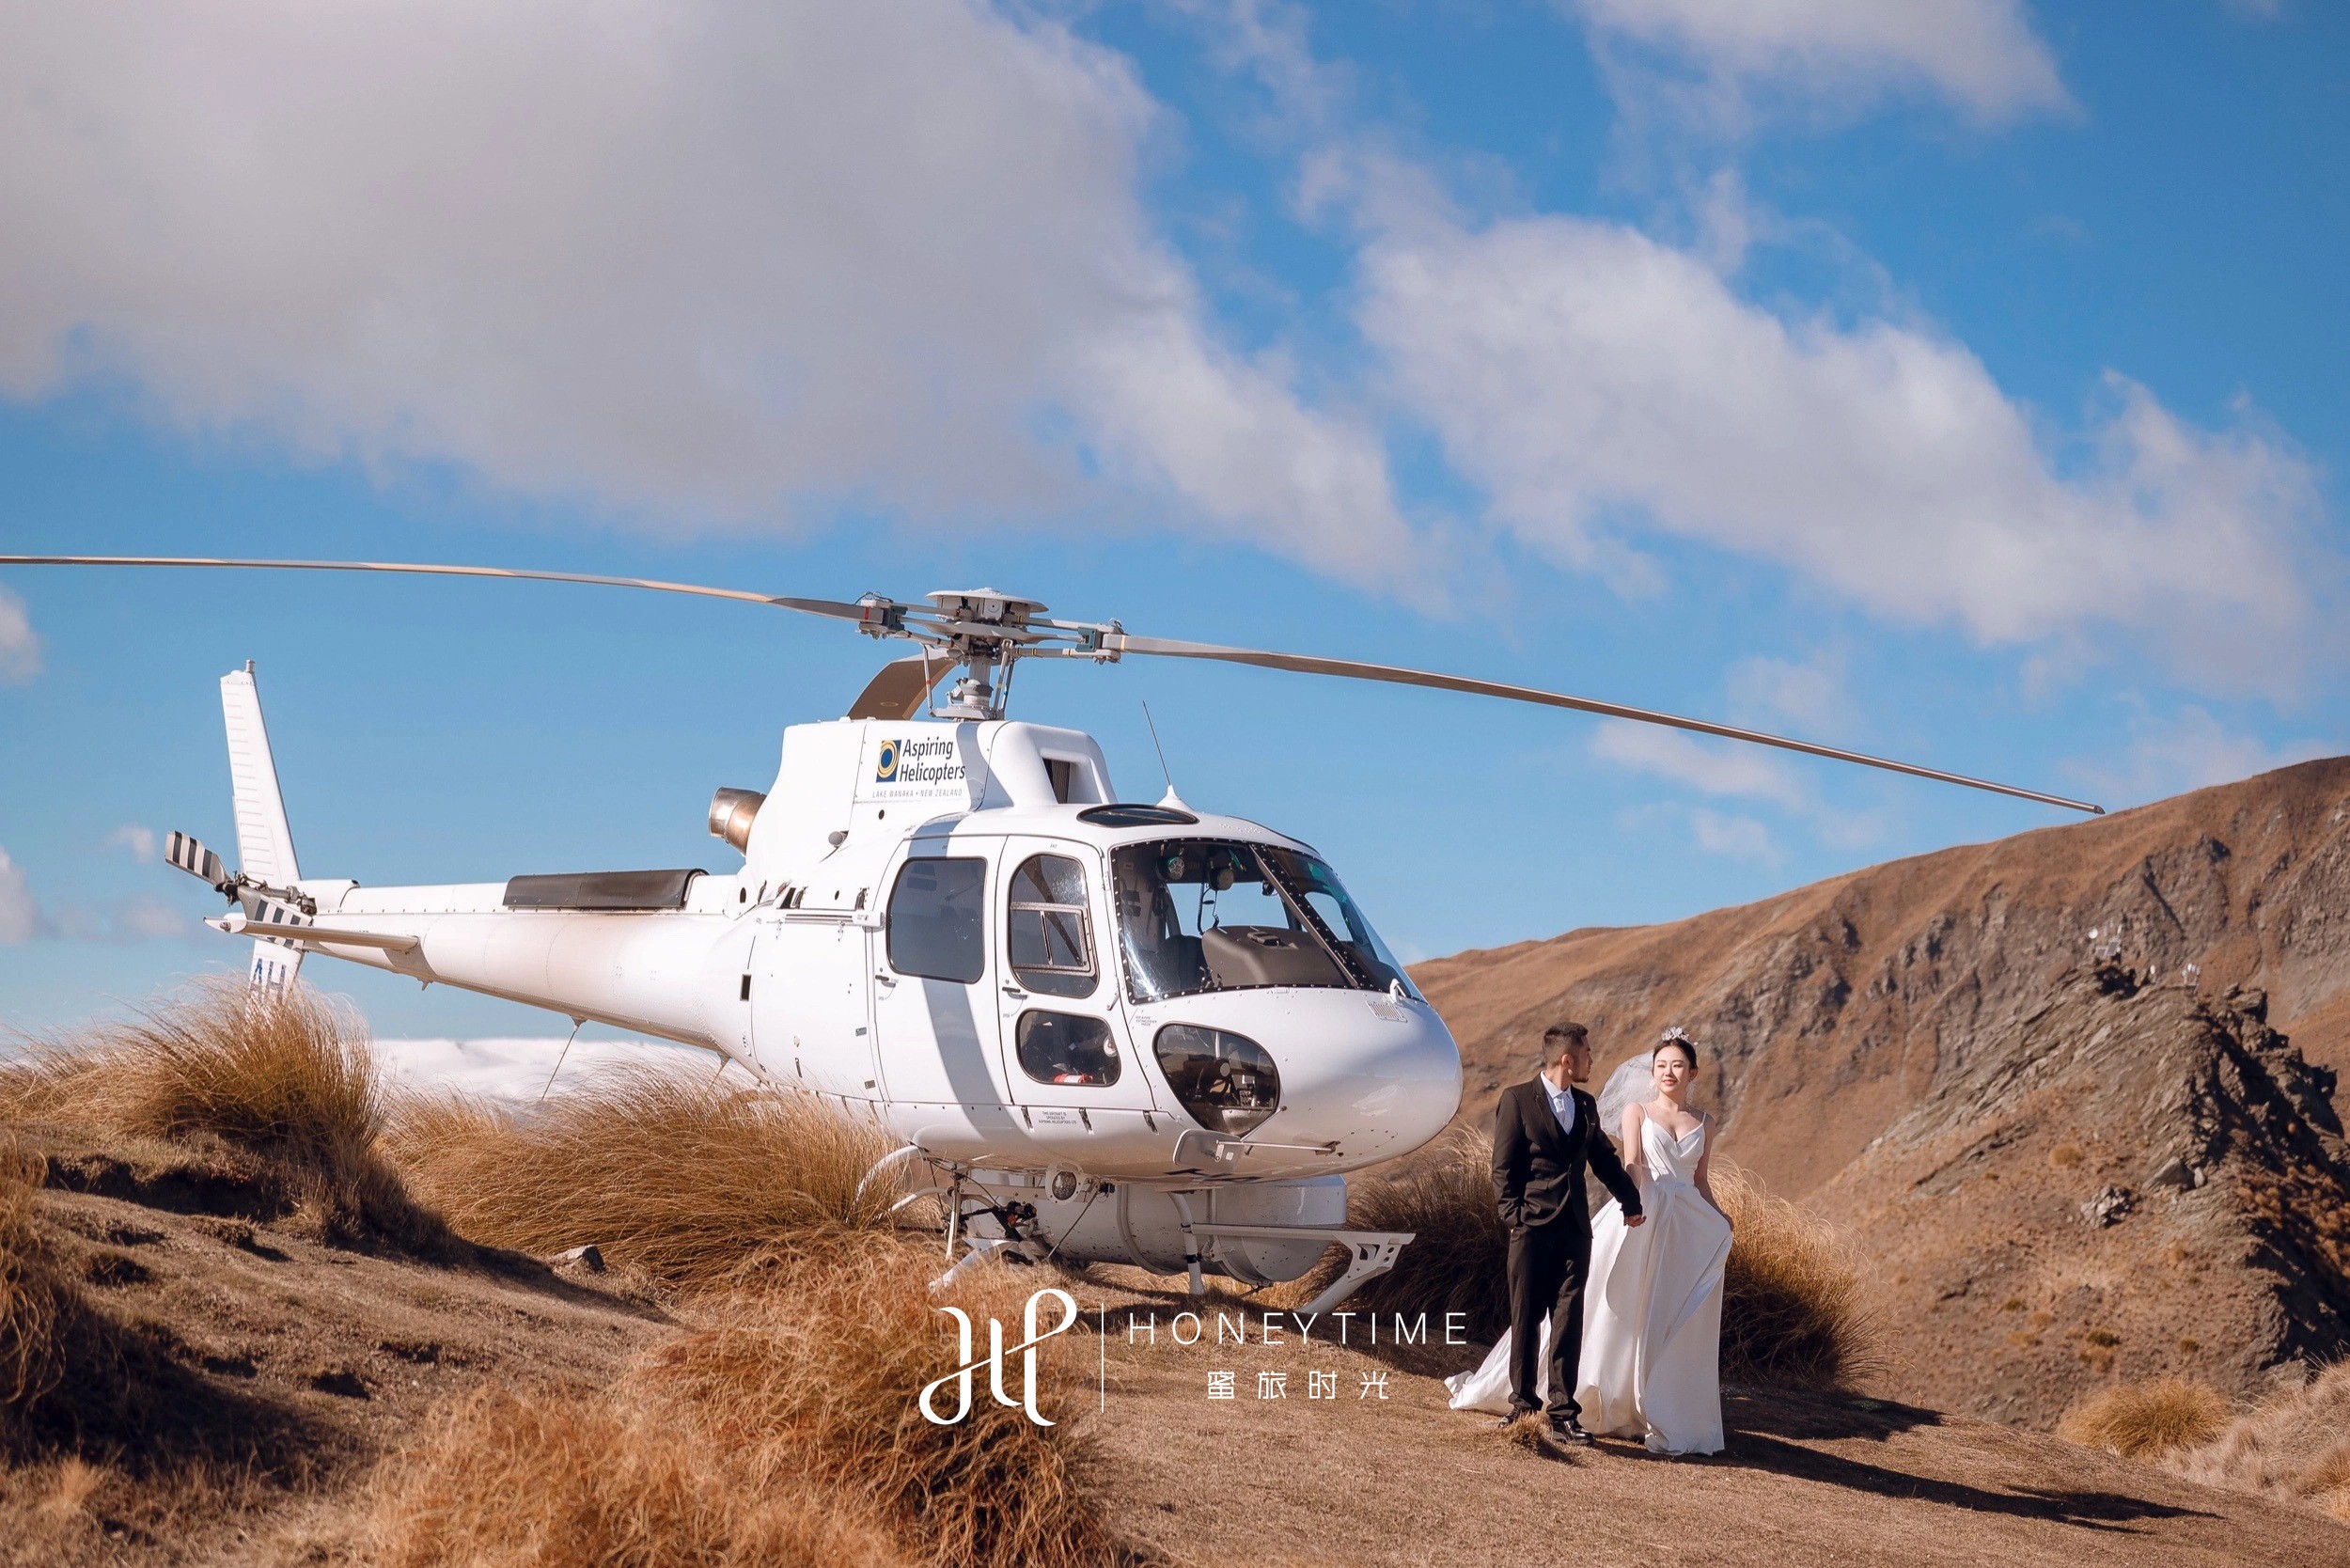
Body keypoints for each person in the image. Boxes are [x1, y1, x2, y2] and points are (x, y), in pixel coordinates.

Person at [1446, 1021, 1644, 1443]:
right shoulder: (1517, 1099)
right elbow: (1503, 1168)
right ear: (1567, 1060)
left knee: (1568, 1322)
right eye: (1586, 1053)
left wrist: (1632, 1203)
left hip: (1575, 1232)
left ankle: (1563, 1413)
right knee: (1526, 1318)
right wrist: (1514, 1218)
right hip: (1530, 1230)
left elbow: (1604, 1161)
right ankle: (1522, 1404)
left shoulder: (1586, 1106)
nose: (1592, 1060)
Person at [1574, 1027, 1731, 1455]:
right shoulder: (1637, 1112)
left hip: (1685, 1224)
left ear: (1692, 1072)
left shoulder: (1705, 1123)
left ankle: (1660, 1402)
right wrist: (1630, 1207)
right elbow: (1632, 1165)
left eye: (1677, 1065)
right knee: (1624, 1304)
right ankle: (1612, 1397)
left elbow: (1700, 1180)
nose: (1668, 1072)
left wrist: (1720, 1217)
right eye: (1661, 1065)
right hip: (1644, 1210)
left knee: (1667, 1309)